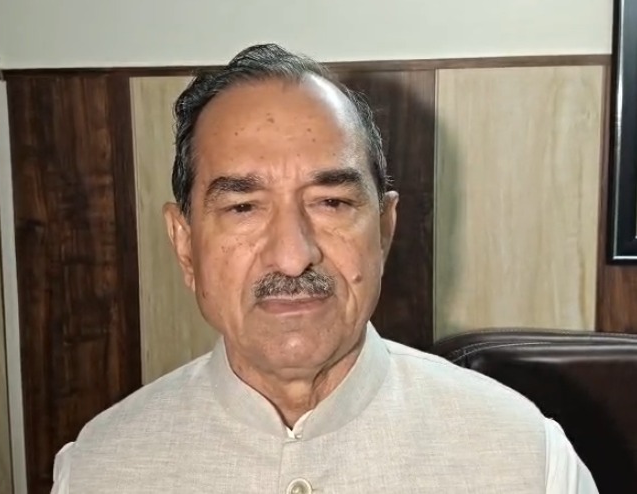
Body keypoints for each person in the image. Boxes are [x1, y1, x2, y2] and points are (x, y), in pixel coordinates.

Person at [50, 43, 598, 493]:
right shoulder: (100, 469)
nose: (293, 256)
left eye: (331, 202)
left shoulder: (525, 458)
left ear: (384, 229)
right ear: (185, 243)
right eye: (243, 207)